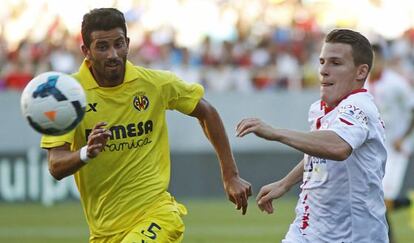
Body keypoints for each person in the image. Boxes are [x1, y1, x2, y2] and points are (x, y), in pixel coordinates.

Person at [40, 8, 252, 243]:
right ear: (86, 51)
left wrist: (230, 175)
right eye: (102, 47)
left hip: (158, 216)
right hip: (104, 232)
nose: (113, 54)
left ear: (128, 43)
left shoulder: (154, 84)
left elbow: (207, 112)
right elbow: (55, 165)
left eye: (119, 44)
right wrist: (85, 153)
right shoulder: (68, 96)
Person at [236, 29, 389, 242]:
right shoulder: (319, 109)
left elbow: (337, 147)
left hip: (353, 235)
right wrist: (285, 183)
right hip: (308, 228)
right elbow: (319, 152)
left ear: (361, 72)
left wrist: (276, 133)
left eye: (336, 63)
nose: (324, 70)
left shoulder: (359, 107)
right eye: (322, 62)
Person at [366, 44, 414, 243]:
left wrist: (402, 139)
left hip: (396, 148)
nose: (373, 64)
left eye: (376, 59)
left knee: (381, 198)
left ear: (384, 60)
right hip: (373, 148)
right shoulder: (363, 84)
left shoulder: (396, 83)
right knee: (374, 198)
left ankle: (409, 203)